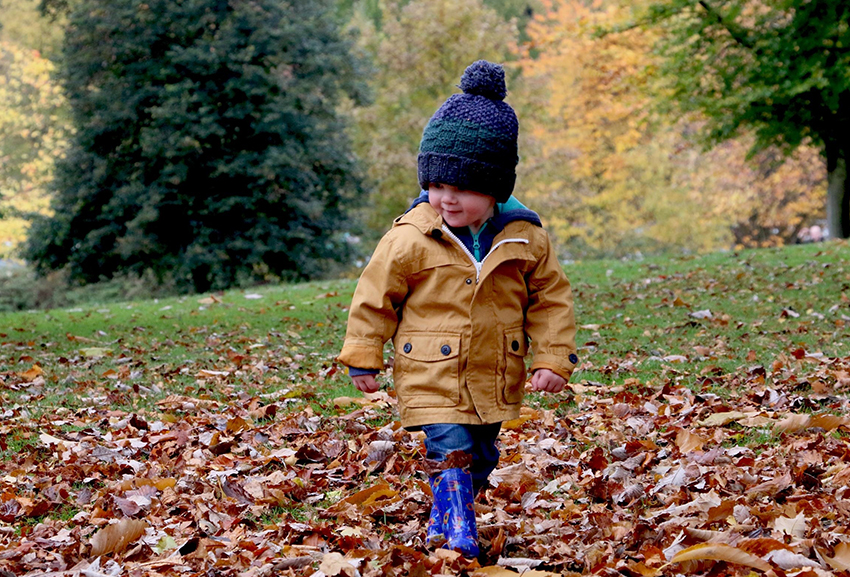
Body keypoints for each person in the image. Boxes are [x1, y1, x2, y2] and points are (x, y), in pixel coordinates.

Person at [337, 60, 578, 558]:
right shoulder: (411, 237)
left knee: (483, 454)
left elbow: (551, 300)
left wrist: (552, 359)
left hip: (494, 373)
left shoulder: (525, 237)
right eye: (437, 185)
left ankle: (443, 518)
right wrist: (364, 352)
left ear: (494, 188)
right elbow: (375, 293)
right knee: (450, 447)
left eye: (462, 188)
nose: (446, 198)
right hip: (429, 369)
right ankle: (461, 531)